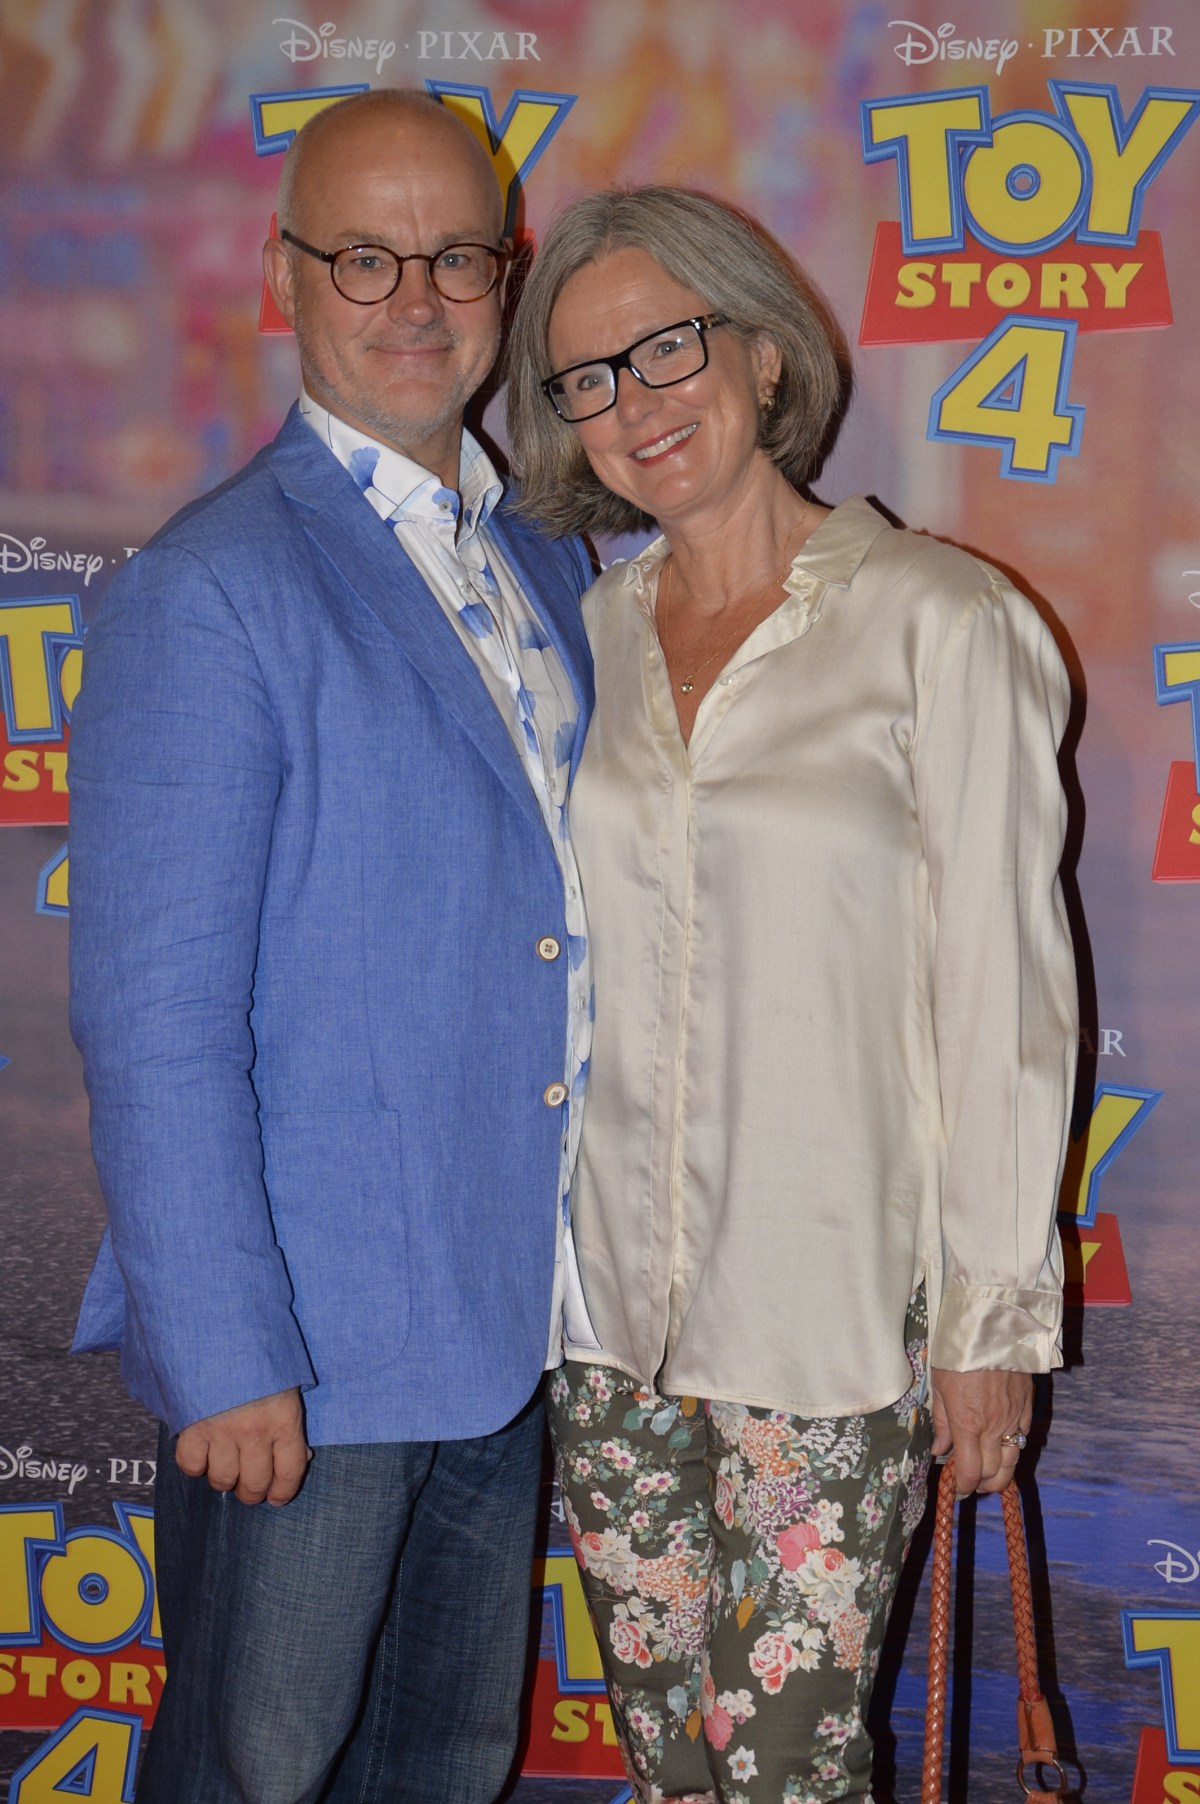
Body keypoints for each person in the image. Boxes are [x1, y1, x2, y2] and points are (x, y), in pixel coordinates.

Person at [505, 185, 1078, 1802]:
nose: (636, 401)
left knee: (784, 1774)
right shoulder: (585, 639)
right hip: (609, 1326)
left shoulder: (940, 622)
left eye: (666, 347)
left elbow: (1005, 997)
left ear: (762, 353)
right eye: (588, 378)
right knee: (669, 1770)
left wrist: (990, 1324)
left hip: (829, 1325)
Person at [68, 90, 594, 1804]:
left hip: (512, 1319)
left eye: (456, 257)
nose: (416, 298)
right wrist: (228, 1355)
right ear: (280, 277)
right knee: (258, 1770)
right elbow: (156, 1019)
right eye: (365, 256)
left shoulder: (550, 564)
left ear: (508, 276)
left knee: (447, 1760)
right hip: (308, 1352)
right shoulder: (213, 587)